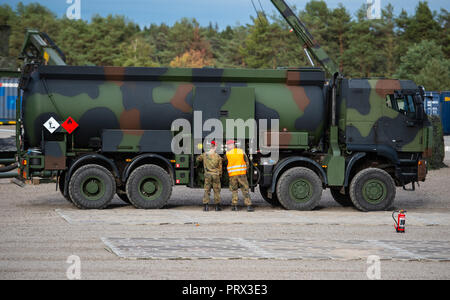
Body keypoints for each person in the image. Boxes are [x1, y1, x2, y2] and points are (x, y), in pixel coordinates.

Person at [224, 140, 254, 212]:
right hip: (242, 174)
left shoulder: (227, 153)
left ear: (229, 146)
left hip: (233, 175)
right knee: (245, 189)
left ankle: (234, 206)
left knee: (234, 190)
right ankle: (249, 206)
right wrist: (246, 171)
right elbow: (247, 162)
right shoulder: (241, 151)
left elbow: (224, 161)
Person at [196, 140, 223, 212]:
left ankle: (206, 206)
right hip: (216, 175)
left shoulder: (205, 154)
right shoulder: (218, 156)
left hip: (208, 175)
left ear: (210, 146)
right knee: (216, 190)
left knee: (207, 190)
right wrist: (219, 175)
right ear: (216, 147)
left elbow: (198, 159)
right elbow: (220, 168)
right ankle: (217, 207)